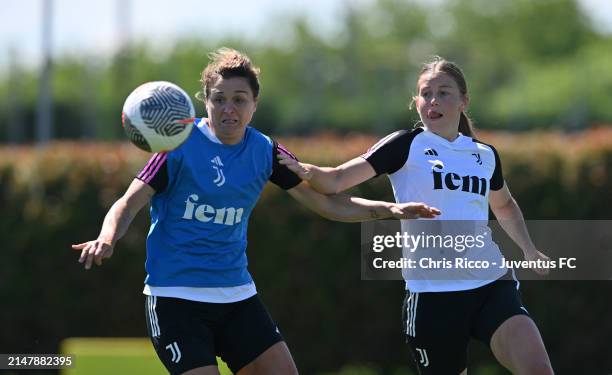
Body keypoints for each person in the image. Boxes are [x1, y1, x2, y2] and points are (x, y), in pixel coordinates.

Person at [71, 47, 440, 375]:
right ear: (205, 102)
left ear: (255, 104)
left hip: (237, 298)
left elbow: (326, 202)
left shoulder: (265, 151)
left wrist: (389, 209)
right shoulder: (177, 147)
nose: (228, 109)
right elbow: (128, 201)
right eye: (219, 99)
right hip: (175, 299)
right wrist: (107, 238)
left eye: (239, 99)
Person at [279, 57, 554, 374]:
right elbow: (337, 180)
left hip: (491, 284)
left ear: (464, 101)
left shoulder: (484, 154)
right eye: (426, 93)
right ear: (416, 102)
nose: (433, 100)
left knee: (538, 369)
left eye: (444, 92)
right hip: (433, 298)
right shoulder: (405, 145)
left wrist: (528, 249)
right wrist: (304, 170)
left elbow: (504, 204)